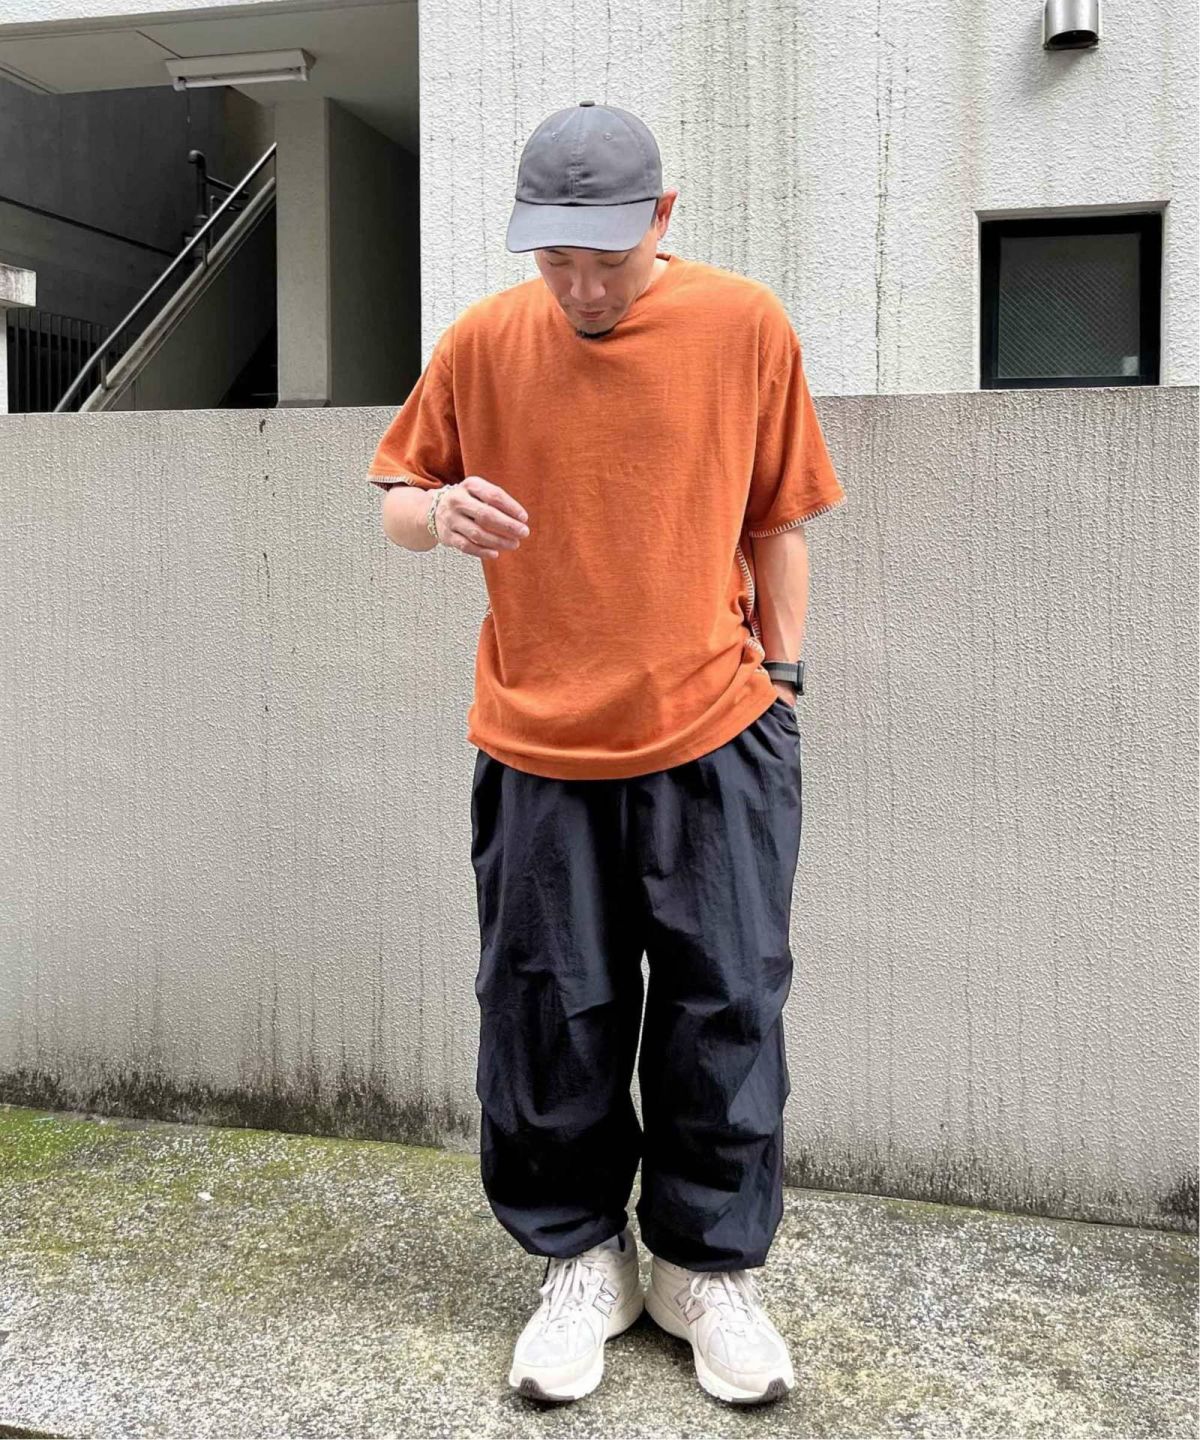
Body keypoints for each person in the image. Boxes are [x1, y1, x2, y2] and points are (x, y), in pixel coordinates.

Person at [367, 101, 847, 1408]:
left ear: (663, 219)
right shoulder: (483, 340)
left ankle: (704, 1268)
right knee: (548, 1011)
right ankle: (581, 1261)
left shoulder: (744, 327)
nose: (580, 288)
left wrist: (782, 688)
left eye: (607, 260)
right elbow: (399, 496)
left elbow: (779, 522)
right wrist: (436, 512)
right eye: (555, 261)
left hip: (718, 732)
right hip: (537, 741)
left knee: (725, 1005)